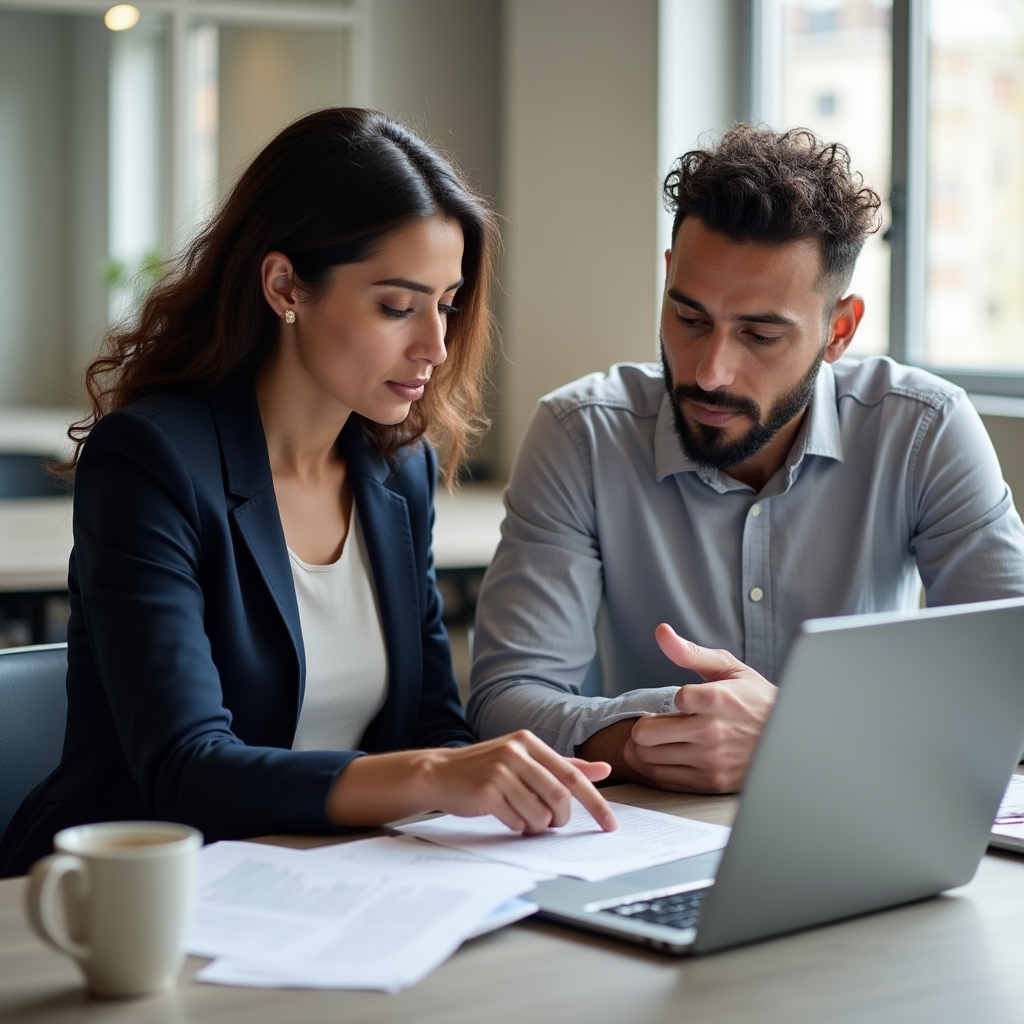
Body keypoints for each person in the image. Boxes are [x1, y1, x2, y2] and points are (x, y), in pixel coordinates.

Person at [0, 108, 616, 879]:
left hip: (333, 878)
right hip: (140, 897)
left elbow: (430, 724)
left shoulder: (400, 470)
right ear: (285, 284)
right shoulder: (152, 461)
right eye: (397, 306)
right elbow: (187, 770)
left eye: (447, 303)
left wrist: (503, 786)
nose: (435, 345)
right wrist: (430, 778)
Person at [468, 125, 1024, 794]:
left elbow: (1009, 684)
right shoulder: (582, 435)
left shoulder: (923, 429)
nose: (710, 372)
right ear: (668, 276)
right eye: (690, 318)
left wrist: (791, 732)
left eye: (760, 334)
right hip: (658, 835)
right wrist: (656, 742)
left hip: (859, 814)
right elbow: (504, 702)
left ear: (837, 330)